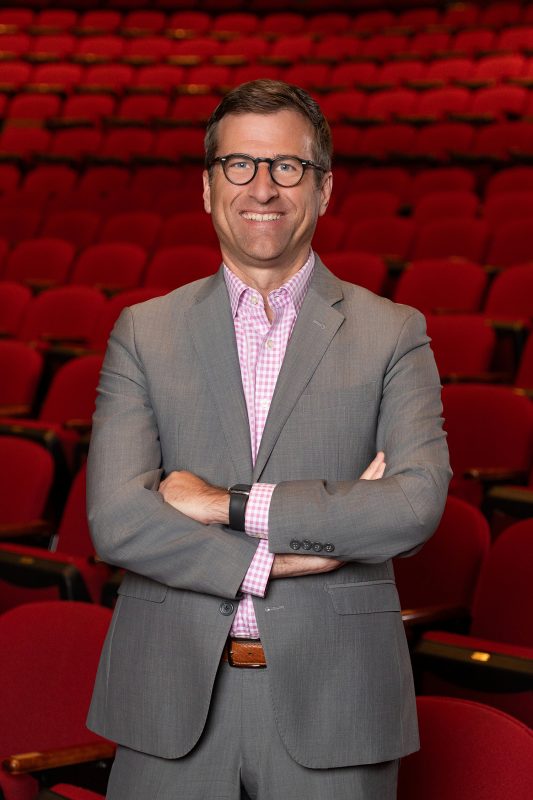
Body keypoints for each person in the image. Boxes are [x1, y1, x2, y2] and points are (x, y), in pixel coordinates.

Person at [86, 79, 451, 800]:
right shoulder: (144, 331)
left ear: (323, 189)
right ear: (207, 188)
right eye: (239, 164)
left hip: (338, 702)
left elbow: (412, 506)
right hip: (168, 698)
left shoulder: (393, 332)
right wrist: (270, 562)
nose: (262, 187)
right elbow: (117, 519)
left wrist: (224, 504)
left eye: (288, 166)